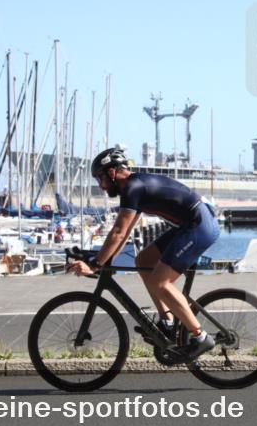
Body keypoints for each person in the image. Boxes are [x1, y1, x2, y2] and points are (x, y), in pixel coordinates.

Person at [67, 147, 219, 359]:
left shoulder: (132, 188)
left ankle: (201, 337)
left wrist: (95, 264)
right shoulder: (134, 188)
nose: (100, 185)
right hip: (190, 224)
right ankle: (167, 322)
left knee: (160, 282)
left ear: (111, 173)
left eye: (99, 178)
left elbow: (118, 232)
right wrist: (104, 259)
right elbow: (125, 233)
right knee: (144, 260)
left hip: (199, 225)